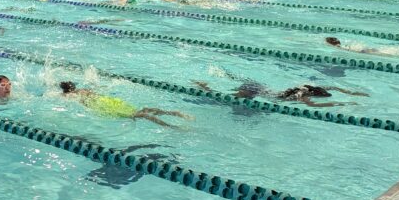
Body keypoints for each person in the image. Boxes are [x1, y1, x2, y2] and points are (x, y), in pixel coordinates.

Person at [59, 81, 192, 127]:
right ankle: (174, 113)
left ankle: (170, 126)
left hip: (102, 106)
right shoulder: (84, 90)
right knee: (141, 110)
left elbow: (61, 98)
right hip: (108, 100)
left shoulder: (71, 95)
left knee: (140, 115)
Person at [193, 79, 368, 108]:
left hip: (259, 87)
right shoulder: (303, 95)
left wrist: (349, 92)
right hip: (255, 90)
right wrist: (343, 103)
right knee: (225, 99)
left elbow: (332, 87)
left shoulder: (305, 87)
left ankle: (205, 86)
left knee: (227, 96)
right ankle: (204, 88)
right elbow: (315, 105)